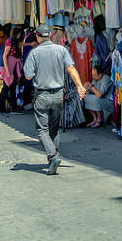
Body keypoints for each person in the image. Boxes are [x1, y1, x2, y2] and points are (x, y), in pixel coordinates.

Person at [22, 26, 86, 175]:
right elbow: (71, 68)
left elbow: (28, 76)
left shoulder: (34, 53)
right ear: (50, 35)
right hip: (58, 94)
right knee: (54, 128)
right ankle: (53, 159)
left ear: (37, 36)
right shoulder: (61, 50)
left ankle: (53, 156)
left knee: (42, 130)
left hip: (42, 95)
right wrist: (80, 86)